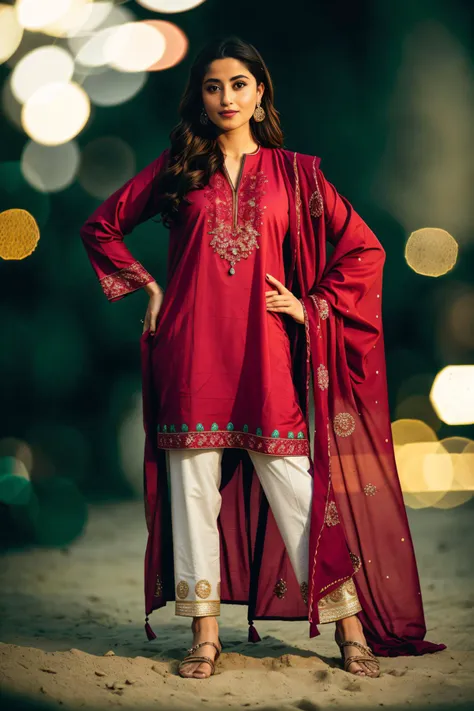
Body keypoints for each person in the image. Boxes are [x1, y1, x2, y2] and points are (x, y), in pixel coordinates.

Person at [80, 36, 446, 680]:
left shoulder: (298, 174)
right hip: (190, 351)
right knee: (192, 489)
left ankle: (347, 624)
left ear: (260, 93)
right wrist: (148, 286)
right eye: (213, 86)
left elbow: (364, 251)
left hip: (266, 354)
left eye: (239, 85)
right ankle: (203, 633)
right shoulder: (178, 168)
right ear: (199, 95)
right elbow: (101, 226)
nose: (226, 97)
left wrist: (314, 307)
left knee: (297, 488)